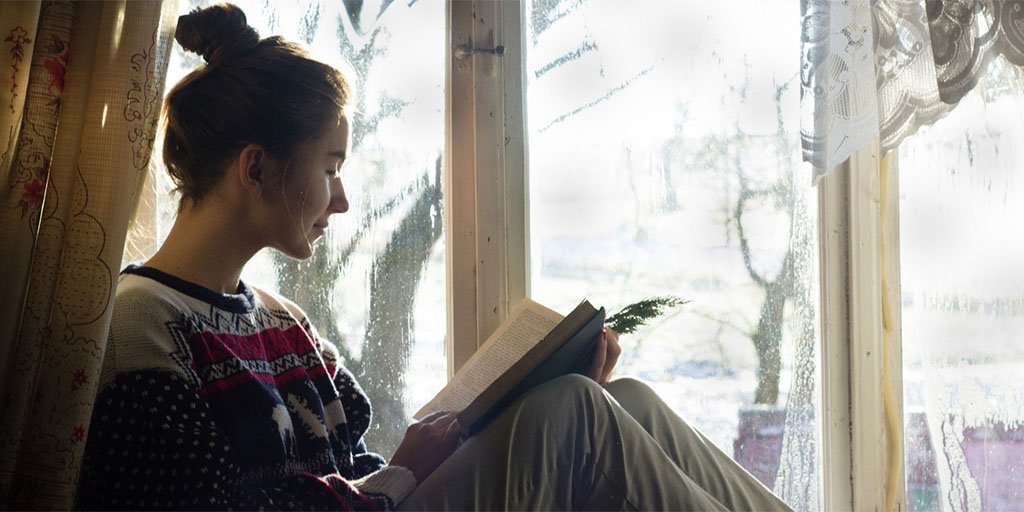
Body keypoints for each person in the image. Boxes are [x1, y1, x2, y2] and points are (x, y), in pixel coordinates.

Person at [78, 4, 794, 511]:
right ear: (257, 169)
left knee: (618, 399)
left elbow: (364, 473)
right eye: (329, 167)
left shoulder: (283, 321)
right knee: (573, 414)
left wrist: (479, 424)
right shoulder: (143, 328)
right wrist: (397, 476)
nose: (343, 200)